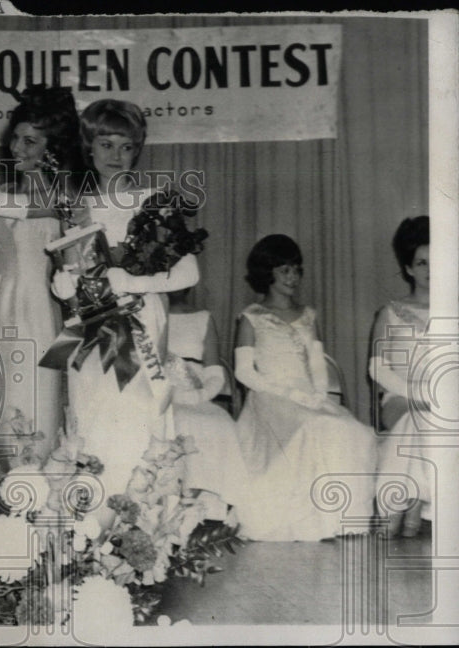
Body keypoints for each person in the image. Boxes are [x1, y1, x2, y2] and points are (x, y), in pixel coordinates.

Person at [51, 99, 200, 528]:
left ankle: (145, 532)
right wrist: (60, 286)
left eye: (127, 146)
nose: (117, 156)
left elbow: (188, 270)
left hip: (139, 321)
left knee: (138, 416)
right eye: (107, 144)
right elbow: (68, 268)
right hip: (89, 323)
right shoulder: (75, 206)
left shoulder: (154, 200)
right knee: (93, 417)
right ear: (89, 147)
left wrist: (131, 282)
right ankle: (91, 531)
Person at [233, 234, 377, 541]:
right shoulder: (251, 318)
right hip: (270, 398)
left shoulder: (308, 316)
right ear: (267, 272)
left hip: (309, 397)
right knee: (318, 427)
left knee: (352, 430)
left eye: (297, 269)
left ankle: (344, 520)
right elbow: (244, 372)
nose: (293, 277)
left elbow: (316, 364)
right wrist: (291, 395)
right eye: (285, 270)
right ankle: (314, 522)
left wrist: (320, 395)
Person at [0, 85, 79, 471]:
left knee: (34, 411)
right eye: (15, 138)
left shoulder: (60, 198)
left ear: (52, 148)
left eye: (30, 141)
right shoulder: (4, 189)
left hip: (37, 317)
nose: (17, 148)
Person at [369, 216, 432, 536]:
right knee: (420, 418)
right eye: (422, 262)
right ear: (408, 268)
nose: (430, 270)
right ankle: (407, 502)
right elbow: (377, 369)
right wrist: (418, 396)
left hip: (446, 400)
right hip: (399, 399)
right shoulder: (390, 312)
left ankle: (409, 501)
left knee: (434, 418)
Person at [166, 288, 246, 520]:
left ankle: (206, 507)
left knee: (221, 424)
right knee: (180, 421)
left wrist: (199, 396)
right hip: (161, 397)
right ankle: (176, 504)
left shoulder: (203, 318)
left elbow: (215, 374)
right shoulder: (143, 314)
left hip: (195, 395)